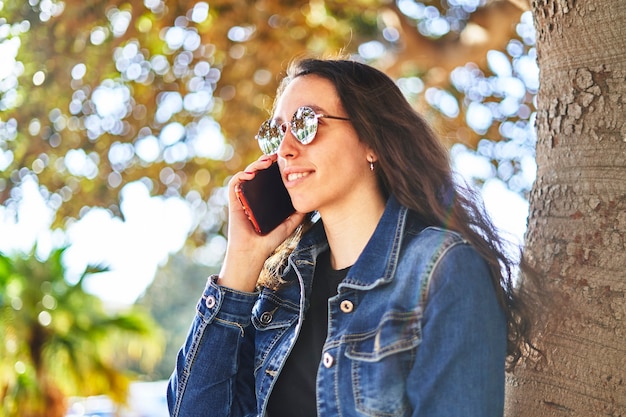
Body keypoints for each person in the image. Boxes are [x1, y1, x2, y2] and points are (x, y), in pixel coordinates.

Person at [167, 57, 536, 417]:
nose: (286, 150)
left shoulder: (442, 269)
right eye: (278, 132)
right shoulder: (281, 293)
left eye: (306, 123)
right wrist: (242, 259)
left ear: (371, 141)